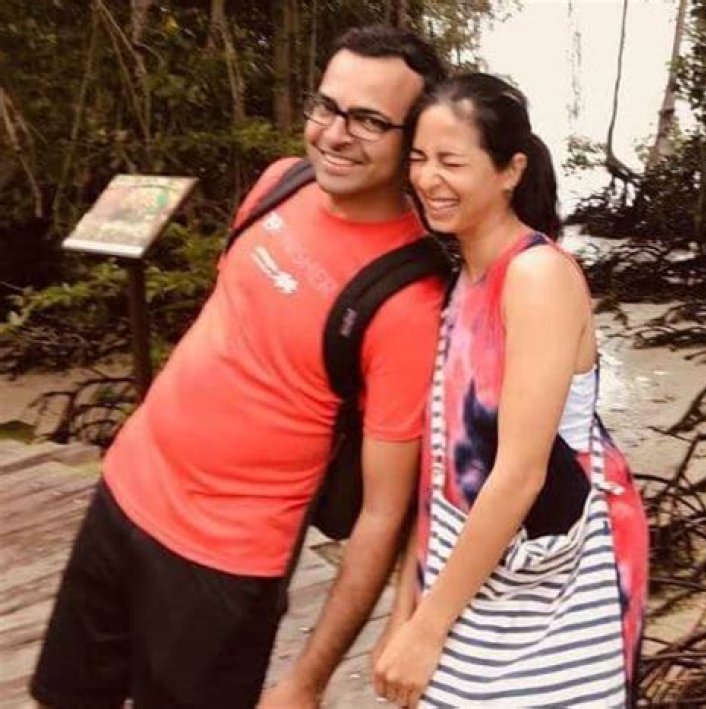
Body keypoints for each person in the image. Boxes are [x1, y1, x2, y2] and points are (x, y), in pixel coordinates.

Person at [30, 26, 447, 709]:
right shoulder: (279, 182)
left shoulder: (410, 300)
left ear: (413, 141)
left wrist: (307, 681)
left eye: (369, 120)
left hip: (224, 564)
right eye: (327, 107)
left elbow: (382, 513)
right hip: (124, 493)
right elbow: (229, 327)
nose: (335, 134)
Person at [373, 73, 648, 707]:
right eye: (418, 158)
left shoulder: (535, 277)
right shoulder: (464, 279)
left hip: (548, 592)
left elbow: (521, 473)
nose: (428, 178)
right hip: (467, 570)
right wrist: (407, 608)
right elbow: (440, 464)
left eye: (451, 162)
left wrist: (427, 628)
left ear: (509, 171)